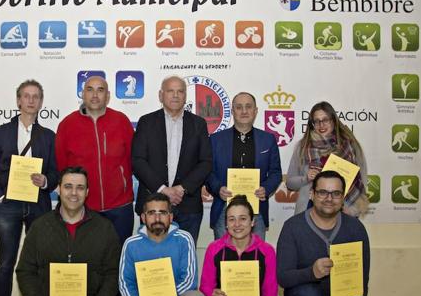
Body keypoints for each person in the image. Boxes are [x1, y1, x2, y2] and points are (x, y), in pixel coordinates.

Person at [16, 166, 121, 296]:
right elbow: (25, 271)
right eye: (68, 186)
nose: (74, 193)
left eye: (80, 188)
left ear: (87, 192)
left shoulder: (104, 228)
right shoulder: (40, 226)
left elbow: (113, 273)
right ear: (59, 189)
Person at [0, 79, 59, 296]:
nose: (31, 100)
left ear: (41, 102)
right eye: (26, 96)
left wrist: (45, 181)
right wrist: (0, 198)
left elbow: (55, 173)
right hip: (8, 206)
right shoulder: (1, 133)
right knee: (5, 263)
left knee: (43, 261)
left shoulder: (48, 136)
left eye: (36, 96)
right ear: (18, 101)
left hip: (38, 204)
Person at [277, 171, 370, 296]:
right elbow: (283, 277)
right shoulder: (293, 227)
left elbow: (361, 282)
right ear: (312, 194)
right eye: (323, 192)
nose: (329, 199)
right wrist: (311, 272)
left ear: (343, 197)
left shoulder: (355, 229)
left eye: (336, 193)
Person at [119, 192, 207, 296]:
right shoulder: (131, 243)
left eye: (163, 212)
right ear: (143, 217)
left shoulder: (184, 238)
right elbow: (125, 283)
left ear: (171, 216)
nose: (157, 217)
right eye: (152, 213)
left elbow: (189, 279)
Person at [132, 75, 212, 244]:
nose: (175, 95)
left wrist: (182, 188)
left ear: (185, 96)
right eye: (170, 91)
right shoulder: (146, 122)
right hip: (153, 205)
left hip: (188, 206)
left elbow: (205, 162)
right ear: (161, 95)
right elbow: (138, 161)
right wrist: (163, 190)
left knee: (184, 258)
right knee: (153, 263)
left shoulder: (199, 124)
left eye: (180, 91)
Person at [55, 75, 135, 243]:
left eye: (100, 90)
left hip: (120, 207)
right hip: (82, 208)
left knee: (118, 259)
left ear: (108, 96)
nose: (95, 95)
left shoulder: (121, 121)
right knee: (86, 262)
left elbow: (132, 160)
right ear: (83, 94)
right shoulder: (67, 125)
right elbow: (62, 166)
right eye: (90, 90)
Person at [200, 195, 277, 296]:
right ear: (226, 224)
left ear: (252, 222)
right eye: (232, 219)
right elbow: (205, 286)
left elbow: (270, 293)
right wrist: (212, 294)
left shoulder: (267, 251)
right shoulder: (214, 249)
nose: (237, 224)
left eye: (243, 219)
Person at [206, 92, 282, 240]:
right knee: (224, 258)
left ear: (255, 111)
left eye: (248, 107)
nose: (244, 111)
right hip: (224, 209)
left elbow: (276, 173)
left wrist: (266, 189)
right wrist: (218, 188)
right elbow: (208, 172)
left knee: (255, 259)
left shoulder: (268, 139)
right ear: (233, 111)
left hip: (256, 211)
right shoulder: (215, 140)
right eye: (239, 107)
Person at [286, 101, 368, 217]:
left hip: (344, 210)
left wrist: (352, 210)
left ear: (333, 121)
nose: (321, 125)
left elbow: (362, 179)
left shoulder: (350, 145)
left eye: (325, 120)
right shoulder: (303, 147)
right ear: (312, 124)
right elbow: (290, 183)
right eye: (317, 121)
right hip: (309, 210)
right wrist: (306, 178)